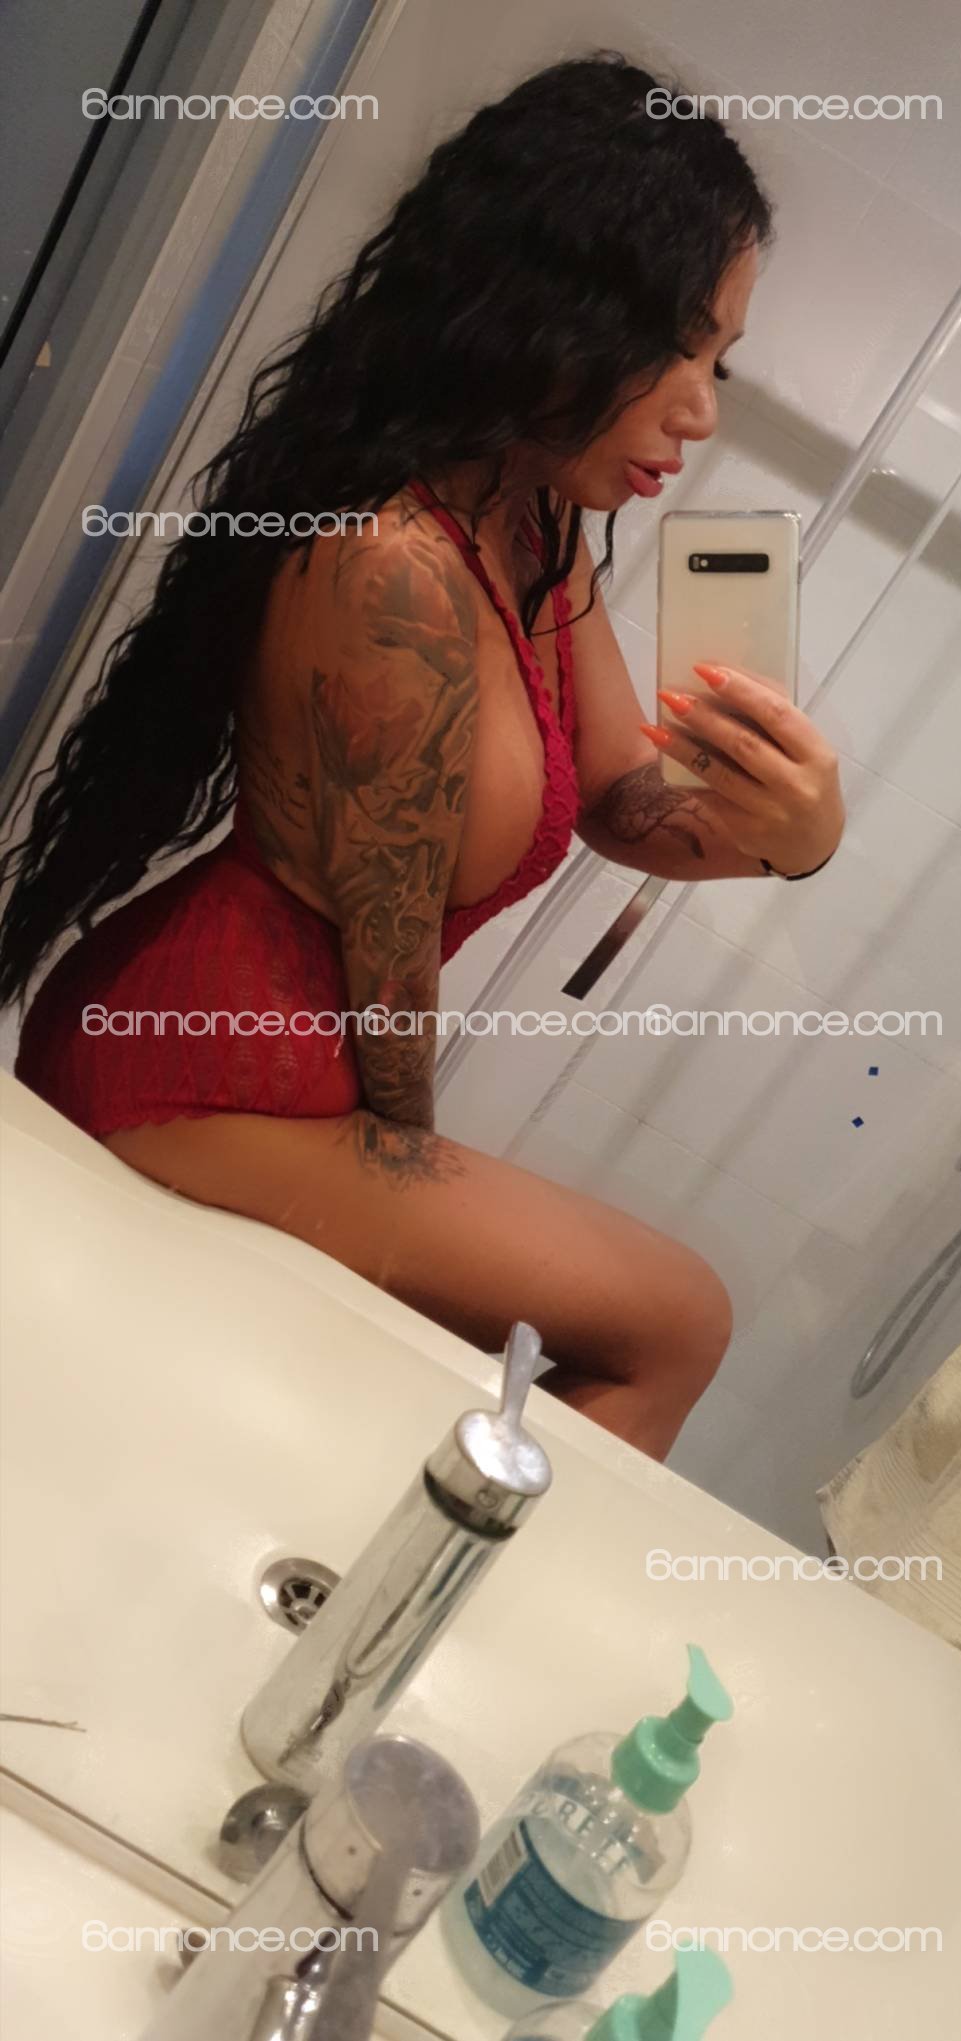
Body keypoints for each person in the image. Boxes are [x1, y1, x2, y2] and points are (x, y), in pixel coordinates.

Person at [0, 55, 843, 1460]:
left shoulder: (533, 521)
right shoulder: (389, 571)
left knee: (626, 1326)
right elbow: (388, 1000)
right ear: (552, 305)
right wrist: (409, 1245)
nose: (702, 412)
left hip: (298, 1077)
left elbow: (623, 798)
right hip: (184, 1073)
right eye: (677, 346)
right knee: (674, 1320)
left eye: (722, 362)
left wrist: (795, 835)